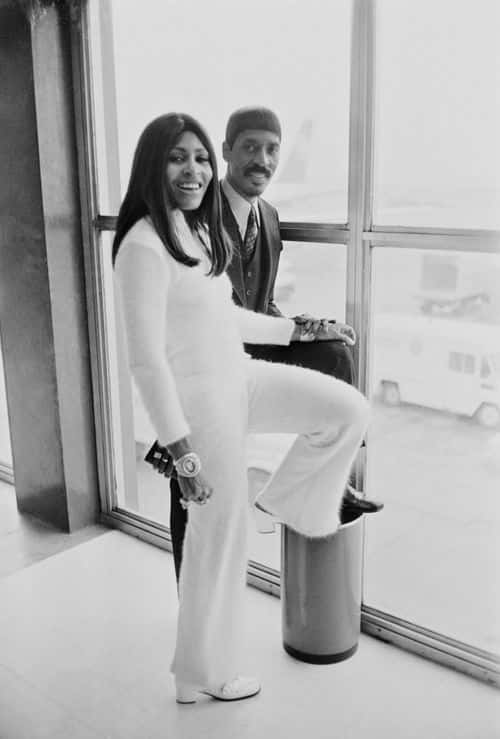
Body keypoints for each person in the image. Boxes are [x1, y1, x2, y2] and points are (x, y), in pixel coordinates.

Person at [113, 112, 370, 703]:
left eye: (201, 158)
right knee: (216, 544)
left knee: (347, 411)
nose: (194, 169)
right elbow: (146, 362)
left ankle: (281, 501)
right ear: (153, 163)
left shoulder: (191, 231)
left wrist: (300, 332)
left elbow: (226, 316)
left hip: (240, 375)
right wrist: (182, 452)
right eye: (180, 157)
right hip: (202, 405)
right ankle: (200, 676)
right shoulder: (143, 246)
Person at [162, 107, 381, 581]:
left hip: (252, 345)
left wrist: (309, 328)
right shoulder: (194, 216)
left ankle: (328, 485)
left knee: (337, 354)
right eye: (250, 148)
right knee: (192, 478)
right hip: (205, 361)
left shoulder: (269, 216)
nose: (262, 160)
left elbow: (263, 303)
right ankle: (189, 586)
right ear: (225, 152)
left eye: (271, 149)